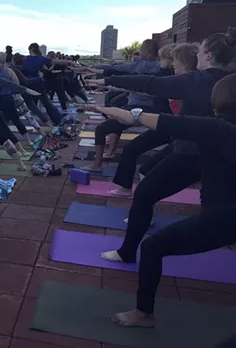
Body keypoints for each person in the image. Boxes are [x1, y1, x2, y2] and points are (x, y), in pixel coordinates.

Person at [97, 74, 236, 328]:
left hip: (225, 217)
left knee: (152, 248)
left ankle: (143, 313)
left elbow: (167, 123)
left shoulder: (219, 129)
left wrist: (121, 113)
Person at [99, 28, 236, 270]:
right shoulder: (230, 80)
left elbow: (149, 83)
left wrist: (107, 80)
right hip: (223, 157)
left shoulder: (197, 80)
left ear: (209, 55)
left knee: (144, 194)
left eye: (201, 50)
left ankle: (127, 252)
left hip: (191, 154)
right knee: (217, 206)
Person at [104, 43, 200, 198]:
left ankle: (141, 201)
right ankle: (128, 190)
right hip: (167, 126)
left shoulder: (185, 83)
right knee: (133, 152)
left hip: (176, 131)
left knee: (148, 170)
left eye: (172, 59)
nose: (172, 63)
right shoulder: (174, 78)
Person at [81, 42, 173, 172]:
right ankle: (110, 151)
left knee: (102, 128)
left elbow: (117, 69)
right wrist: (105, 83)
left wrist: (94, 71)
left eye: (141, 50)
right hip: (158, 113)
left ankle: (97, 164)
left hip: (139, 109)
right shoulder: (164, 70)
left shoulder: (142, 66)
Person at [22, 43, 66, 125]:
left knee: (28, 103)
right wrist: (70, 61)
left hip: (27, 82)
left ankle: (32, 121)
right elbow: (55, 63)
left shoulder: (25, 59)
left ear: (30, 50)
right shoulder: (41, 59)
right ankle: (57, 119)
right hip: (37, 82)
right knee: (46, 102)